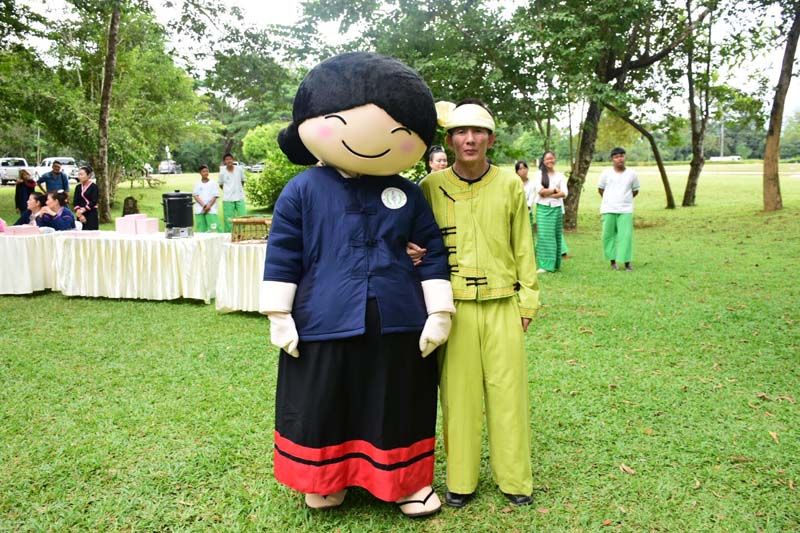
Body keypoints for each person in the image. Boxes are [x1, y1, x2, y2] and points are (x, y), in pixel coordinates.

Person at [261, 52, 454, 518]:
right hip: (323, 318)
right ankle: (325, 480)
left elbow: (431, 250)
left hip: (397, 319)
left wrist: (439, 310)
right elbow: (283, 251)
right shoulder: (302, 189)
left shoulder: (407, 193)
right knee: (324, 401)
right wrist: (279, 314)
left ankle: (405, 481)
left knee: (397, 399)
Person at [417, 98, 539, 508]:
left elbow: (523, 246)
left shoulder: (509, 184)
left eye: (478, 132)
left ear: (491, 139)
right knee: (458, 396)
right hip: (454, 306)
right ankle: (461, 480)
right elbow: (416, 243)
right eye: (460, 132)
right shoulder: (430, 187)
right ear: (449, 140)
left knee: (509, 394)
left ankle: (515, 480)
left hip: (503, 302)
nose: (469, 139)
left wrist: (528, 301)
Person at [598, 147, 639, 271]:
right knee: (608, 236)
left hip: (625, 210)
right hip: (608, 209)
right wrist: (610, 200)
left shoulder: (632, 174)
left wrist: (625, 200)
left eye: (621, 156)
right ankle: (612, 261)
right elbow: (601, 189)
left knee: (625, 236)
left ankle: (627, 263)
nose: (619, 159)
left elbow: (635, 190)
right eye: (616, 157)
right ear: (612, 159)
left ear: (625, 157)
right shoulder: (606, 173)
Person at [533, 151, 568, 273]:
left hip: (557, 209)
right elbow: (540, 192)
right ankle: (545, 265)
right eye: (547, 159)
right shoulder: (538, 175)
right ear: (543, 161)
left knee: (555, 236)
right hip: (543, 209)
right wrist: (554, 190)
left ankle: (555, 264)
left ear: (555, 159)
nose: (550, 161)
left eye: (551, 158)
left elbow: (564, 193)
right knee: (544, 236)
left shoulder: (560, 176)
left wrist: (550, 194)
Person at [218, 153, 246, 232]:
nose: (229, 161)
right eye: (227, 159)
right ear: (224, 161)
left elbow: (243, 181)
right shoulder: (222, 172)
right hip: (228, 199)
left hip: (239, 197)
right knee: (228, 220)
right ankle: (228, 235)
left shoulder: (239, 169)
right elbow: (221, 184)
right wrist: (228, 191)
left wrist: (238, 189)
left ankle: (241, 235)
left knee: (243, 217)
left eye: (230, 159)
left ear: (233, 160)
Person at [193, 165, 220, 232]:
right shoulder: (197, 184)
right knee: (201, 230)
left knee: (213, 228)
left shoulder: (213, 183)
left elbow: (215, 196)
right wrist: (204, 206)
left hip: (211, 209)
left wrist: (208, 206)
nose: (206, 173)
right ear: (200, 173)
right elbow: (196, 196)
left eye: (207, 171)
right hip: (200, 209)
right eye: (203, 171)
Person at [72, 166, 99, 230]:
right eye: (79, 174)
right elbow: (75, 201)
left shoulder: (94, 187)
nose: (79, 176)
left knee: (91, 232)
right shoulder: (78, 187)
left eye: (81, 174)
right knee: (80, 232)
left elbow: (94, 201)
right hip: (80, 213)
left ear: (88, 175)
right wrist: (79, 214)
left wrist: (84, 210)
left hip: (91, 213)